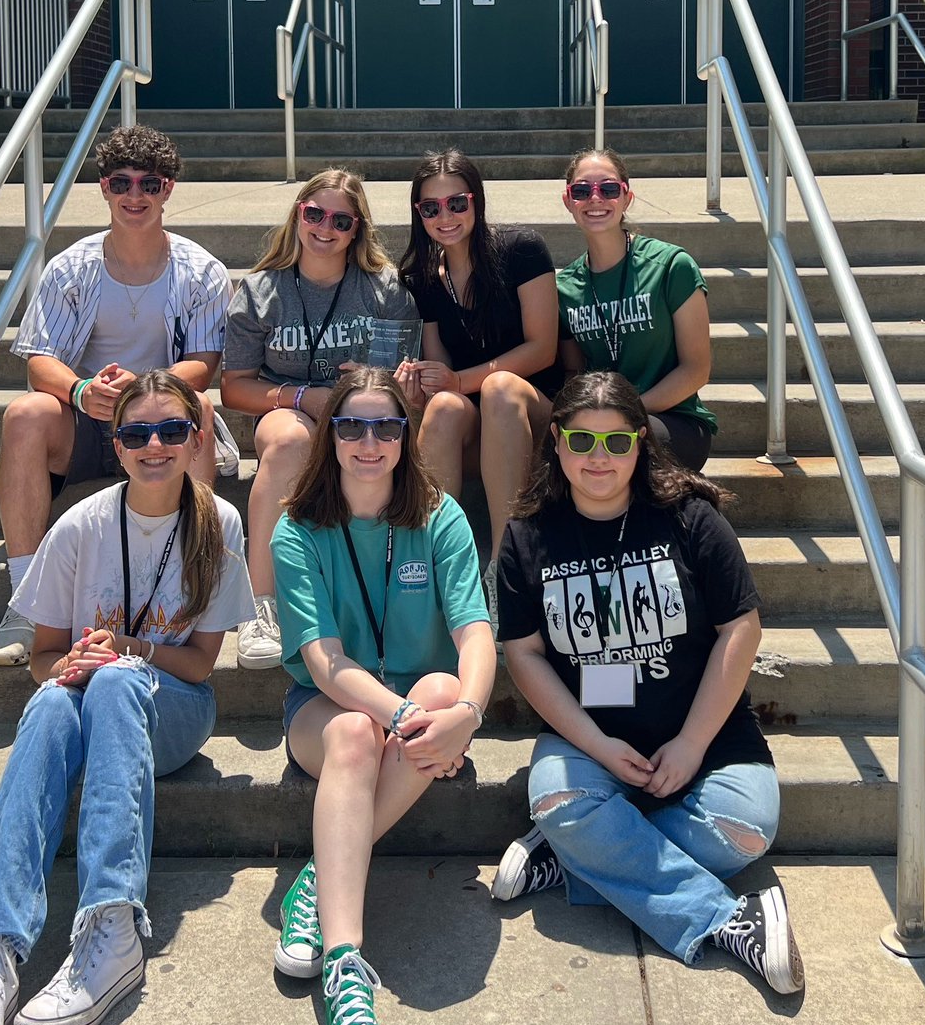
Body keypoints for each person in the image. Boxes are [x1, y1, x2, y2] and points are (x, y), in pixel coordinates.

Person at [0, 371, 254, 1025]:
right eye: (137, 432)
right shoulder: (79, 525)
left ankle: (111, 922)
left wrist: (126, 653)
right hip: (89, 707)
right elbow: (42, 658)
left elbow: (203, 667)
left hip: (173, 712)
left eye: (172, 431)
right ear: (114, 445)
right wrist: (69, 661)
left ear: (196, 438)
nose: (154, 445)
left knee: (113, 681)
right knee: (51, 703)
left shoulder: (216, 523)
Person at [491, 371, 803, 997]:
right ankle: (728, 918)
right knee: (558, 800)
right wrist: (598, 746)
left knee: (747, 829)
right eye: (582, 442)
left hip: (702, 725)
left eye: (616, 442)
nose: (598, 459)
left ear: (640, 441)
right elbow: (523, 655)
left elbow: (741, 630)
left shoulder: (691, 519)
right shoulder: (527, 535)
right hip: (590, 732)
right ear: (556, 442)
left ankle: (578, 855)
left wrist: (691, 743)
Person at [270, 367, 495, 1025]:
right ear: (330, 435)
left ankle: (320, 875)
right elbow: (324, 661)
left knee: (440, 684)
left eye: (386, 426)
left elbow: (476, 632)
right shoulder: (297, 528)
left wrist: (467, 714)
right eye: (352, 426)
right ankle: (345, 969)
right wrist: (399, 714)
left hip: (422, 709)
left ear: (405, 436)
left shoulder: (440, 516)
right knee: (356, 733)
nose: (370, 442)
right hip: (326, 712)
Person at [0, 125, 237, 668]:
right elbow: (38, 358)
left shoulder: (202, 272)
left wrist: (148, 392)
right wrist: (80, 389)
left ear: (168, 189)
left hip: (159, 419)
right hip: (88, 418)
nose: (135, 195)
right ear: (103, 188)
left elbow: (205, 363)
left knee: (203, 407)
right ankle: (27, 605)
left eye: (150, 183)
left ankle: (192, 587)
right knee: (26, 412)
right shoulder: (71, 266)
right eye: (121, 182)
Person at [221, 169, 419, 671]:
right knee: (288, 441)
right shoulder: (261, 289)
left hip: (360, 419)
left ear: (357, 229)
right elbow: (235, 386)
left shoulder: (384, 290)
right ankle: (260, 607)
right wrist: (302, 396)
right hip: (286, 412)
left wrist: (376, 382)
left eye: (340, 219)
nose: (325, 227)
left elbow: (402, 376)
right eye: (314, 214)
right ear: (298, 215)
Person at [396, 149, 561, 635]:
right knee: (444, 407)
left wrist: (463, 381)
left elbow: (543, 349)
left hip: (534, 415)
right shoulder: (423, 277)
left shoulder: (521, 250)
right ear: (418, 214)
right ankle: (435, 568)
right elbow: (441, 366)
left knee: (500, 389)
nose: (444, 217)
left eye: (456, 203)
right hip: (477, 426)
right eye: (430, 208)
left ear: (477, 201)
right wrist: (422, 385)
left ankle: (506, 567)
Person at [556, 146, 716, 472]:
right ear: (568, 201)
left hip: (672, 420)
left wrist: (627, 413)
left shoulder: (672, 266)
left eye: (609, 189)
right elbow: (573, 373)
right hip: (597, 423)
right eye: (582, 190)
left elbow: (696, 369)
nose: (595, 199)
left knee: (625, 448)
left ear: (627, 198)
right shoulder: (564, 288)